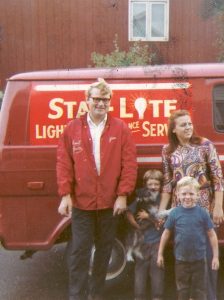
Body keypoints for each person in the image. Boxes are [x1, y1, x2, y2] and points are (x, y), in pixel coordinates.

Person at [56, 78, 137, 300]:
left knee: (103, 251)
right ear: (87, 100)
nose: (100, 103)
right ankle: (77, 295)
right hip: (82, 203)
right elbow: (64, 164)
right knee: (80, 252)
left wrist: (122, 195)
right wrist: (65, 195)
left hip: (110, 204)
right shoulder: (72, 128)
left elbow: (129, 164)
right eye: (96, 99)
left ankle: (96, 294)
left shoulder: (120, 128)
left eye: (105, 99)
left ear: (110, 101)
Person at [159, 109, 224, 300]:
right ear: (173, 130)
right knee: (185, 258)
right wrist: (162, 211)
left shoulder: (205, 145)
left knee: (207, 256)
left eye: (189, 123)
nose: (188, 127)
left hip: (204, 208)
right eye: (183, 125)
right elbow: (167, 183)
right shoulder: (167, 151)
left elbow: (218, 177)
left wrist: (218, 206)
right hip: (180, 210)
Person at [157, 176, 219, 300]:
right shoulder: (175, 213)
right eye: (184, 194)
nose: (187, 197)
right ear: (178, 195)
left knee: (200, 290)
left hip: (199, 260)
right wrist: (160, 254)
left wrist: (215, 257)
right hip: (181, 260)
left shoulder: (203, 213)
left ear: (197, 195)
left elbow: (212, 235)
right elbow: (166, 234)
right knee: (182, 290)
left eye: (191, 194)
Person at [126, 169, 165, 300]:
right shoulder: (140, 198)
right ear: (145, 185)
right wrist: (136, 225)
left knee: (157, 270)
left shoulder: (163, 200)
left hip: (157, 242)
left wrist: (148, 216)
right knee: (140, 271)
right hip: (142, 242)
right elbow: (128, 212)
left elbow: (160, 222)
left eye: (156, 184)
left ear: (161, 185)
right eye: (150, 184)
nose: (153, 187)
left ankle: (157, 296)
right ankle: (139, 297)